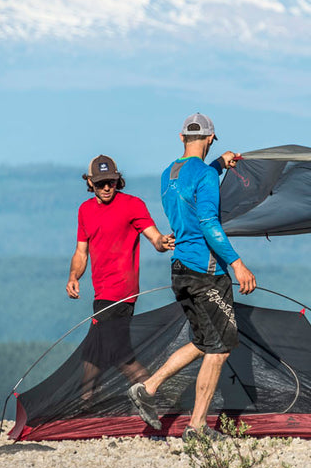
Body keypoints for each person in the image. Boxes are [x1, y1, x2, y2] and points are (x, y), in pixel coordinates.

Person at [127, 113, 256, 441]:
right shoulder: (205, 176)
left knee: (202, 342)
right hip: (207, 272)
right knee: (220, 348)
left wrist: (217, 165)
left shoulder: (168, 174)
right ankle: (198, 427)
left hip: (180, 269)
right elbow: (210, 223)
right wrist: (238, 264)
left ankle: (148, 387)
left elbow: (190, 184)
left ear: (181, 137)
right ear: (211, 138)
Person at [66, 154, 174, 399]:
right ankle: (85, 402)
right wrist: (74, 276)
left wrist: (162, 242)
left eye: (111, 182)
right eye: (101, 183)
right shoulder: (85, 211)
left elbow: (154, 237)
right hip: (101, 293)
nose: (106, 187)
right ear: (90, 182)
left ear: (118, 181)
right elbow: (81, 252)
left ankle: (160, 401)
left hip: (121, 294)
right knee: (92, 354)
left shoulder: (132, 205)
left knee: (121, 358)